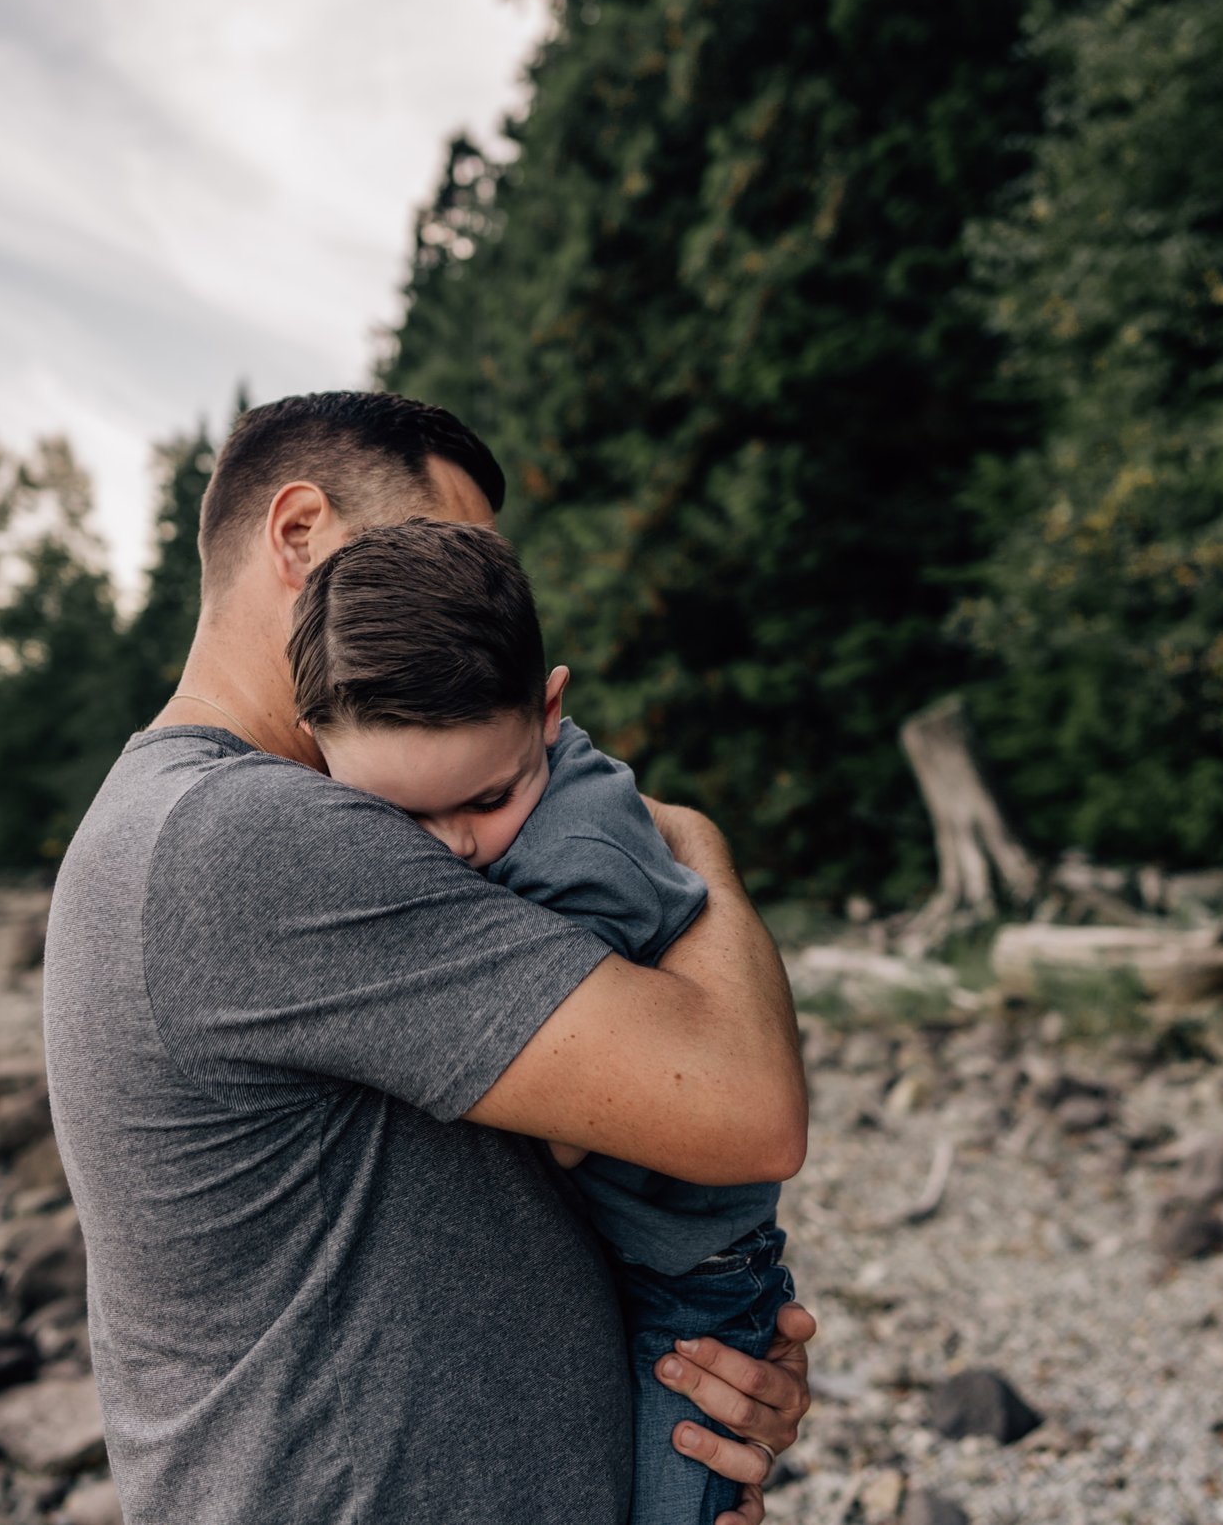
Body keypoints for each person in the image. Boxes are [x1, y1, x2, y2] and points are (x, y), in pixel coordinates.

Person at [44, 391, 814, 1525]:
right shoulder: (254, 835)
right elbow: (745, 1107)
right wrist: (699, 844)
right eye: (428, 550)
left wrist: (696, 1359)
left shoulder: (180, 825)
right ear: (299, 535)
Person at [288, 518, 794, 1525]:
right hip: (637, 1249)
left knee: (685, 1499)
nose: (454, 848)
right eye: (398, 817)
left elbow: (567, 1125)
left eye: (485, 797)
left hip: (692, 1280)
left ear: (550, 709)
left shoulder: (580, 860)